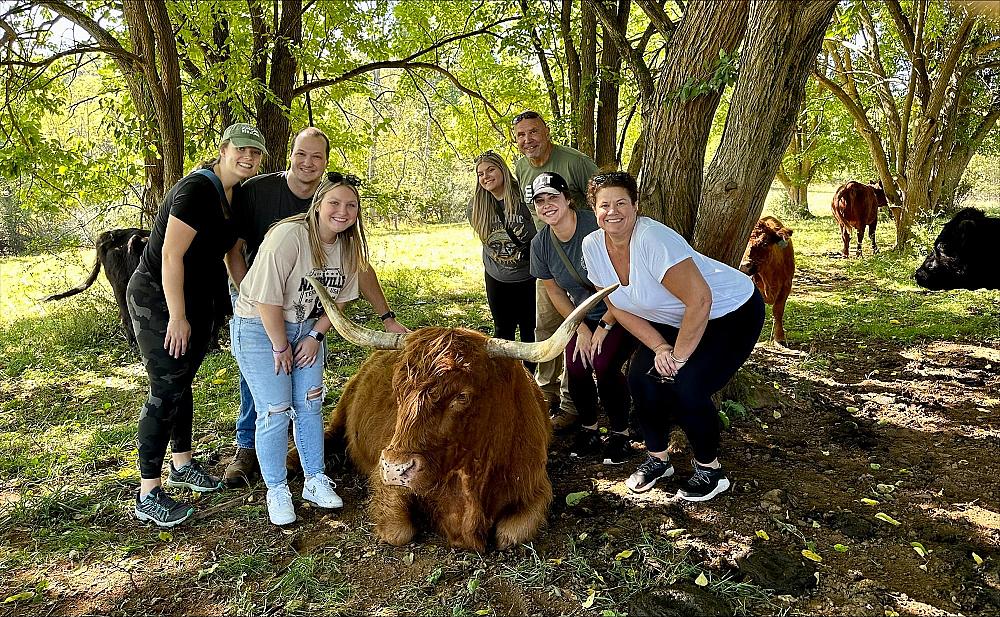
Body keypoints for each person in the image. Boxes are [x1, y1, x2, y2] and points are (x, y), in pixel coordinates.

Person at [223, 127, 408, 487]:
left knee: (307, 399)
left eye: (317, 157)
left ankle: (311, 470)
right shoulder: (259, 192)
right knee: (266, 391)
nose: (308, 162)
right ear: (290, 154)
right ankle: (249, 450)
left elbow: (354, 270)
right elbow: (234, 250)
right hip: (259, 297)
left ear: (325, 165)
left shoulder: (337, 217)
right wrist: (252, 296)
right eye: (301, 154)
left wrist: (386, 318)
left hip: (306, 308)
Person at [581, 171, 764, 502]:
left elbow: (701, 300)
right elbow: (618, 307)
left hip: (730, 312)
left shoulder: (653, 240)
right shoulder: (592, 246)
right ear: (594, 210)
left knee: (686, 384)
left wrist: (677, 357)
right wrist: (659, 346)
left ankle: (710, 469)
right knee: (641, 379)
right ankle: (658, 460)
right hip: (675, 318)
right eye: (604, 205)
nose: (613, 211)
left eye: (622, 202)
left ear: (636, 206)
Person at [128, 122, 266, 527]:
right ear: (223, 149)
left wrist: (249, 297)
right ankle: (148, 492)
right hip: (159, 298)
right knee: (165, 387)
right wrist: (177, 316)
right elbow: (171, 257)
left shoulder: (236, 195)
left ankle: (182, 463)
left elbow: (232, 255)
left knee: (183, 382)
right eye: (241, 150)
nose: (248, 158)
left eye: (255, 153)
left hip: (201, 300)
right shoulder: (196, 190)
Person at [230, 173, 374, 525]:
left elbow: (338, 300)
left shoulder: (347, 245)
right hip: (261, 328)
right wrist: (281, 345)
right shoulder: (289, 235)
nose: (342, 211)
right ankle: (277, 489)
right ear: (318, 204)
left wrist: (315, 337)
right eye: (335, 203)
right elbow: (265, 299)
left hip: (307, 328)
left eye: (350, 205)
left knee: (309, 403)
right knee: (275, 409)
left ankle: (314, 478)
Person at [528, 172, 637, 465]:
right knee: (576, 366)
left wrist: (603, 326)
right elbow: (555, 292)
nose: (548, 205)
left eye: (553, 197)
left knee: (603, 364)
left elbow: (622, 281)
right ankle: (589, 427)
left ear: (567, 199)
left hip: (622, 310)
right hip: (583, 316)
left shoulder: (595, 225)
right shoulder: (541, 244)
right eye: (540, 201)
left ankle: (620, 432)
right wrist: (580, 328)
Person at [512, 110, 600, 431]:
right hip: (548, 258)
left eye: (533, 132)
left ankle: (571, 401)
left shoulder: (573, 162)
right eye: (521, 135)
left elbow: (602, 196)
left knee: (579, 324)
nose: (528, 140)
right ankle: (544, 393)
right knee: (546, 327)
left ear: (546, 132)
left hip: (583, 259)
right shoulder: (521, 168)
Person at [469, 150, 536, 360]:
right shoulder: (475, 207)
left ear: (503, 170)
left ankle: (529, 382)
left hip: (529, 277)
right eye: (480, 174)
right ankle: (505, 379)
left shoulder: (524, 200)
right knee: (502, 331)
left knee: (529, 333)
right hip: (497, 278)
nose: (486, 176)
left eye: (491, 169)